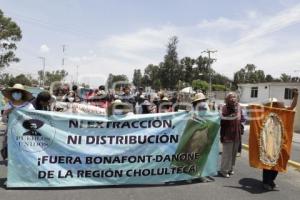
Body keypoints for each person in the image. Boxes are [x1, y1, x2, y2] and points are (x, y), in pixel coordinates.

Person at [261, 89, 298, 190]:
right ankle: (266, 182)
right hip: (268, 141)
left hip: (279, 141)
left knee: (278, 162)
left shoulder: (282, 112)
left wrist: (296, 96)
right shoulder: (264, 114)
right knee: (268, 162)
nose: (274, 105)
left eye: (275, 103)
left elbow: (292, 107)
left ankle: (271, 181)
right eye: (272, 103)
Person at [1, 84, 35, 160]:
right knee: (10, 149)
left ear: (22, 94)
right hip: (10, 131)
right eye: (15, 91)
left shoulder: (29, 106)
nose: (16, 93)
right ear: (12, 93)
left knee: (23, 150)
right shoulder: (8, 105)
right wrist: (5, 113)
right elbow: (4, 120)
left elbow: (33, 119)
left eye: (18, 92)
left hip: (24, 131)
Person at [219, 92, 244, 178]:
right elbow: (221, 120)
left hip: (236, 134)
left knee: (234, 154)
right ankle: (223, 170)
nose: (233, 99)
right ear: (227, 99)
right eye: (231, 97)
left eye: (234, 97)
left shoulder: (239, 107)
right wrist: (230, 116)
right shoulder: (224, 108)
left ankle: (230, 168)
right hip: (227, 134)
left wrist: (241, 126)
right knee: (227, 154)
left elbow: (242, 119)